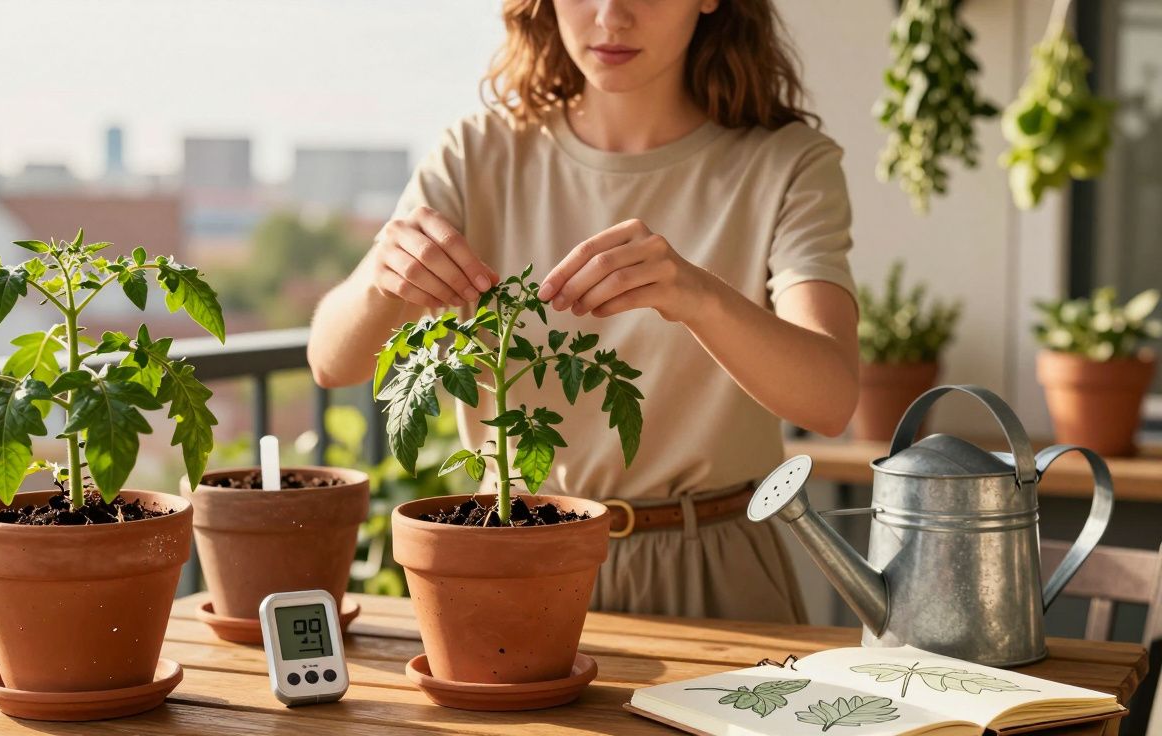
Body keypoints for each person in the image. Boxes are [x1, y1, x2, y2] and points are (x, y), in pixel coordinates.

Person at [308, 0, 859, 623]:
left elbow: (830, 400)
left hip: (714, 569)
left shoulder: (789, 163)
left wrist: (697, 296)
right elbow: (333, 362)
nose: (611, 16)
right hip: (512, 557)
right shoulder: (476, 152)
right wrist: (382, 276)